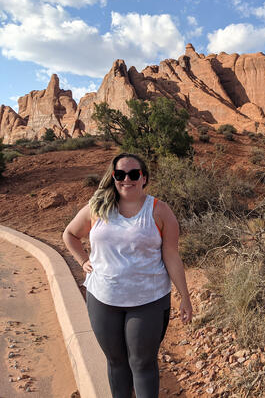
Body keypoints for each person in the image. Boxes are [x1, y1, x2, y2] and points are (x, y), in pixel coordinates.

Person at [63, 152, 193, 398]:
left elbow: (172, 255)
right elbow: (69, 234)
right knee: (116, 362)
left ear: (144, 178)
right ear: (113, 177)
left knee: (142, 364)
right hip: (103, 298)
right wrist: (83, 261)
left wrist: (184, 296)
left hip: (148, 300)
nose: (127, 179)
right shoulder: (98, 207)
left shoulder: (159, 211)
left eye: (134, 174)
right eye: (120, 174)